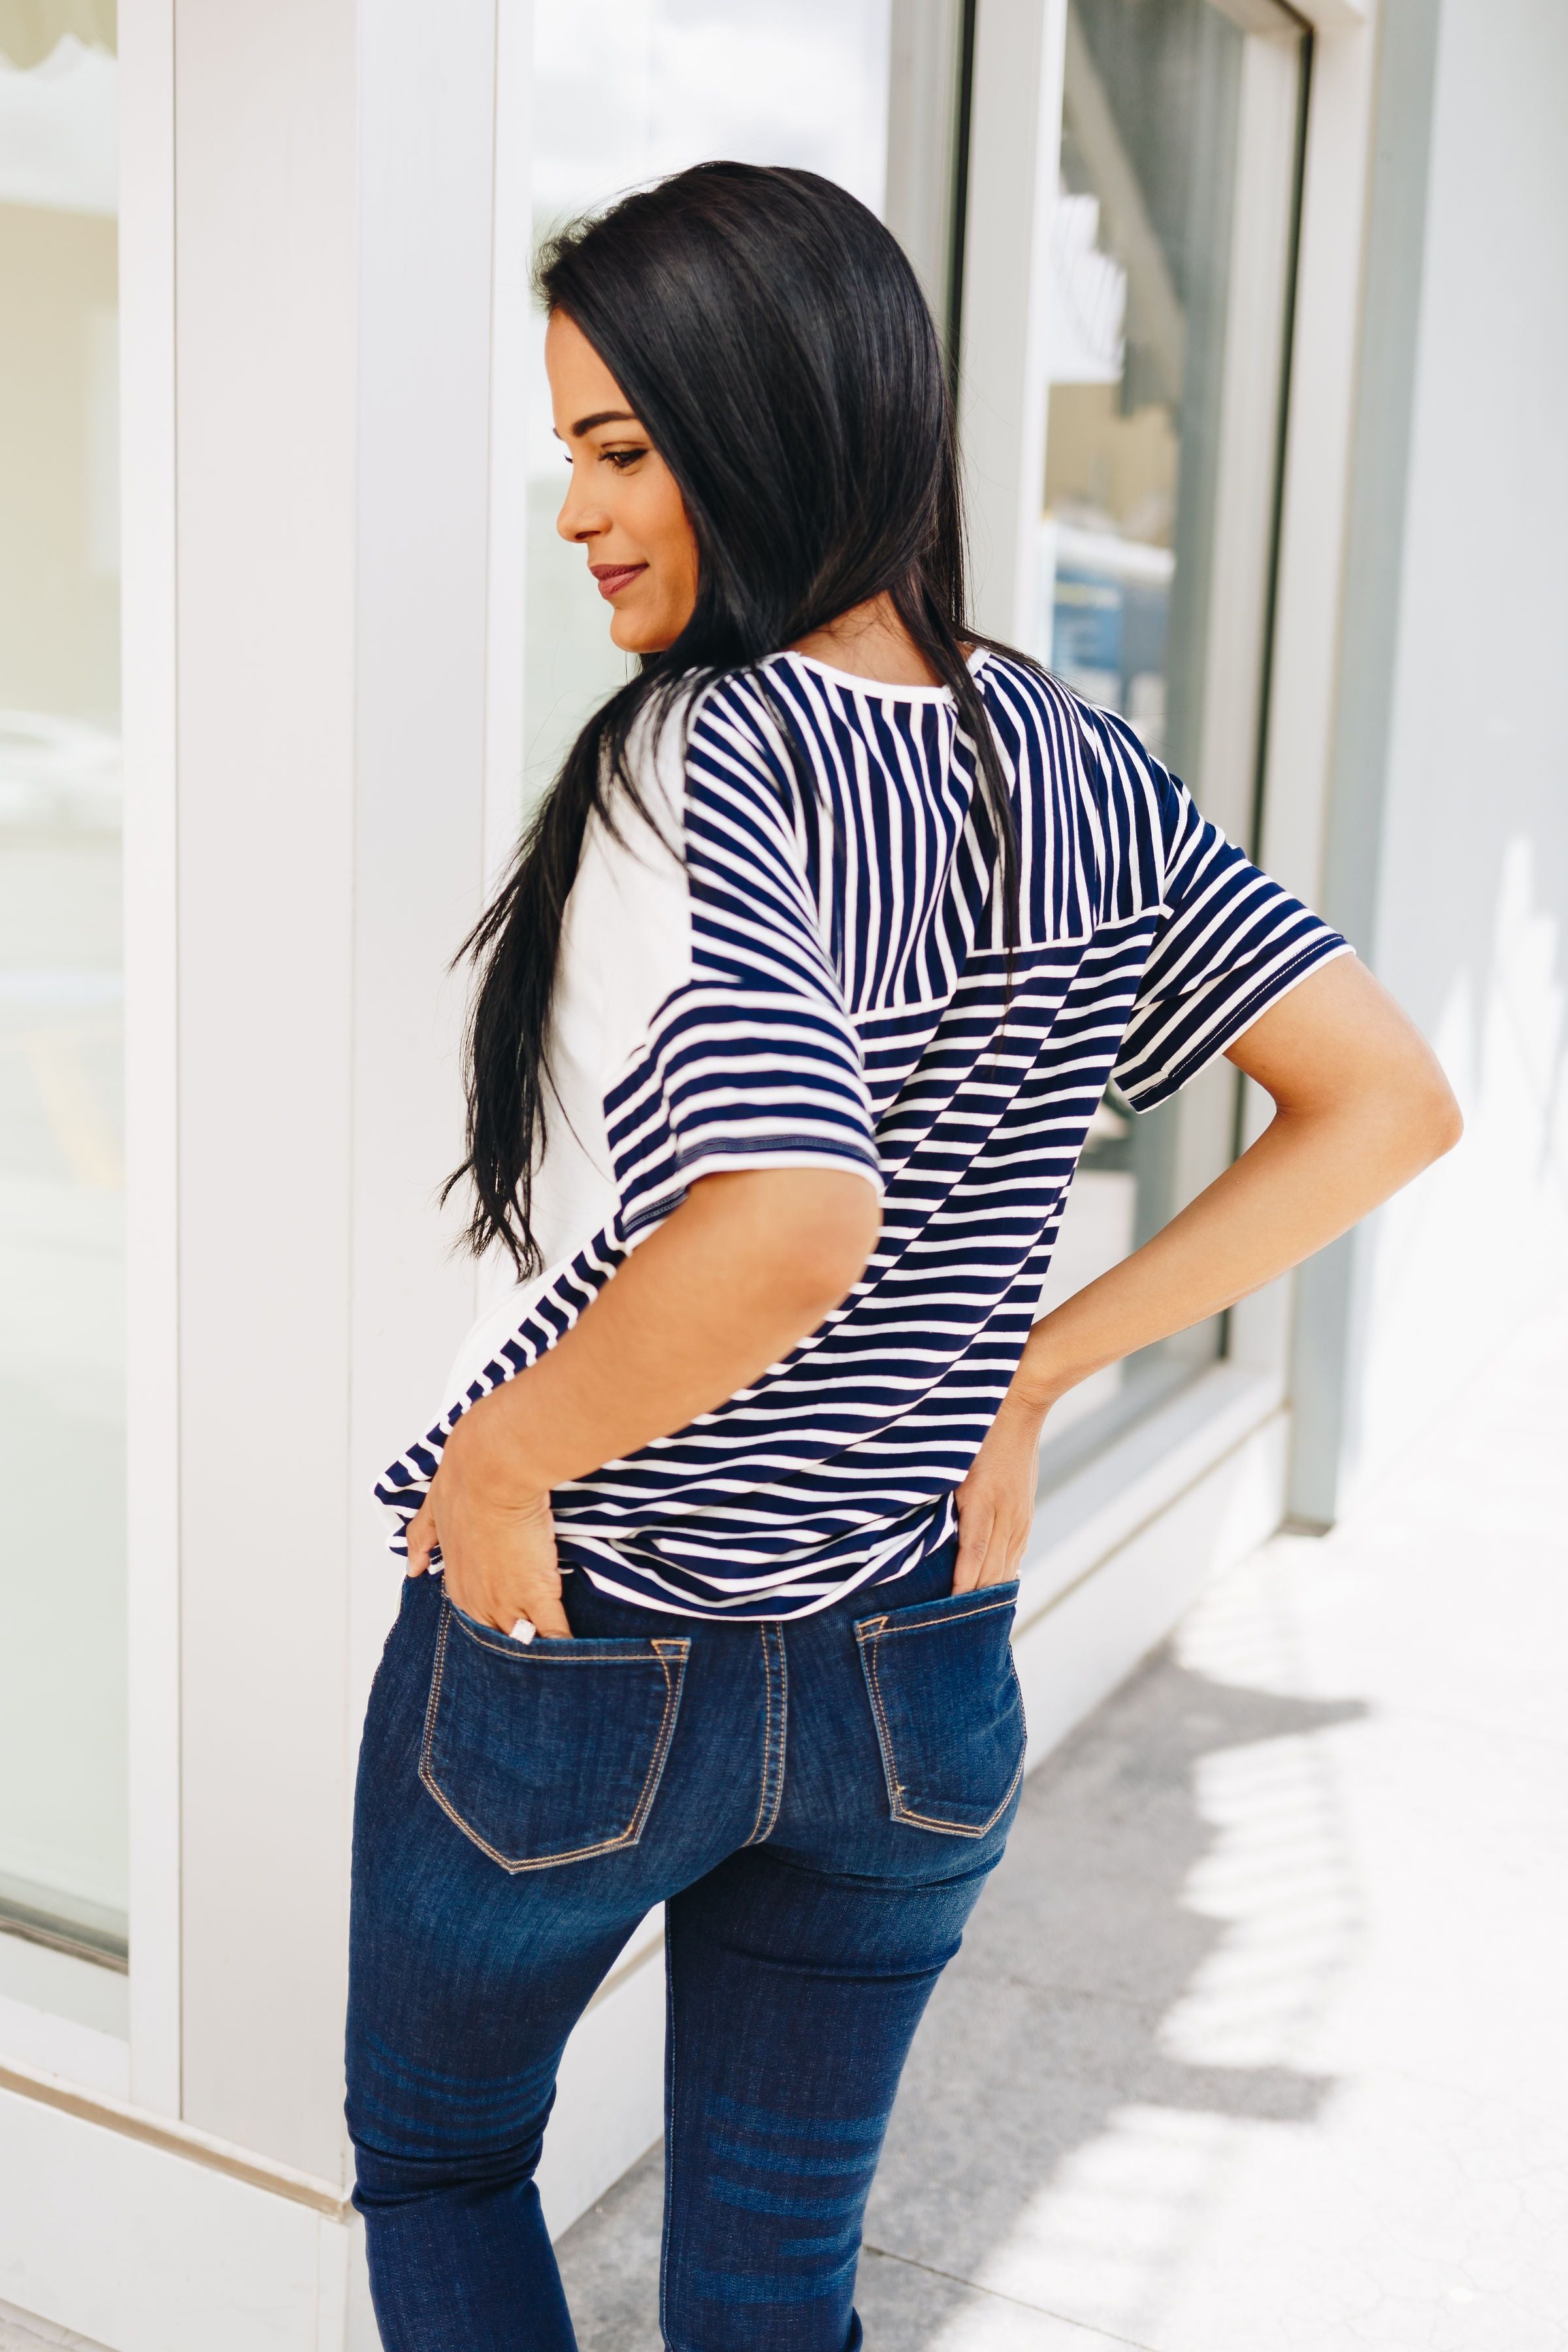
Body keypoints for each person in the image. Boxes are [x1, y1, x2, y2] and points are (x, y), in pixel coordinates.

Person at [345, 162, 1460, 2351]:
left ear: (763, 421)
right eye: (570, 450)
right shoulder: (1069, 759)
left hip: (597, 1637)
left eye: (621, 449)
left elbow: (790, 1214)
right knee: (773, 2283)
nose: (576, 511)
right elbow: (1386, 1100)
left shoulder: (707, 751)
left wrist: (505, 1456)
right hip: (915, 1662)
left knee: (446, 2156)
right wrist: (1030, 1366)